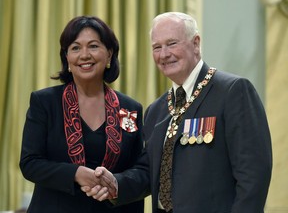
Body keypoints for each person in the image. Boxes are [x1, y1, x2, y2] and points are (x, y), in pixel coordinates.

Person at [82, 12, 273, 213]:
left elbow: (254, 175)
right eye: (157, 47)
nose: (164, 54)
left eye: (172, 43)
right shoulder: (156, 110)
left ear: (196, 43)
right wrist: (115, 184)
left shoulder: (232, 92)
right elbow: (149, 171)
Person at [19, 15, 144, 213]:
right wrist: (75, 173)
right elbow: (30, 163)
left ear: (109, 54)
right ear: (66, 57)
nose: (84, 55)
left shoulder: (129, 109)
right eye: (75, 48)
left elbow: (141, 170)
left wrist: (116, 183)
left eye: (93, 46)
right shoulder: (44, 102)